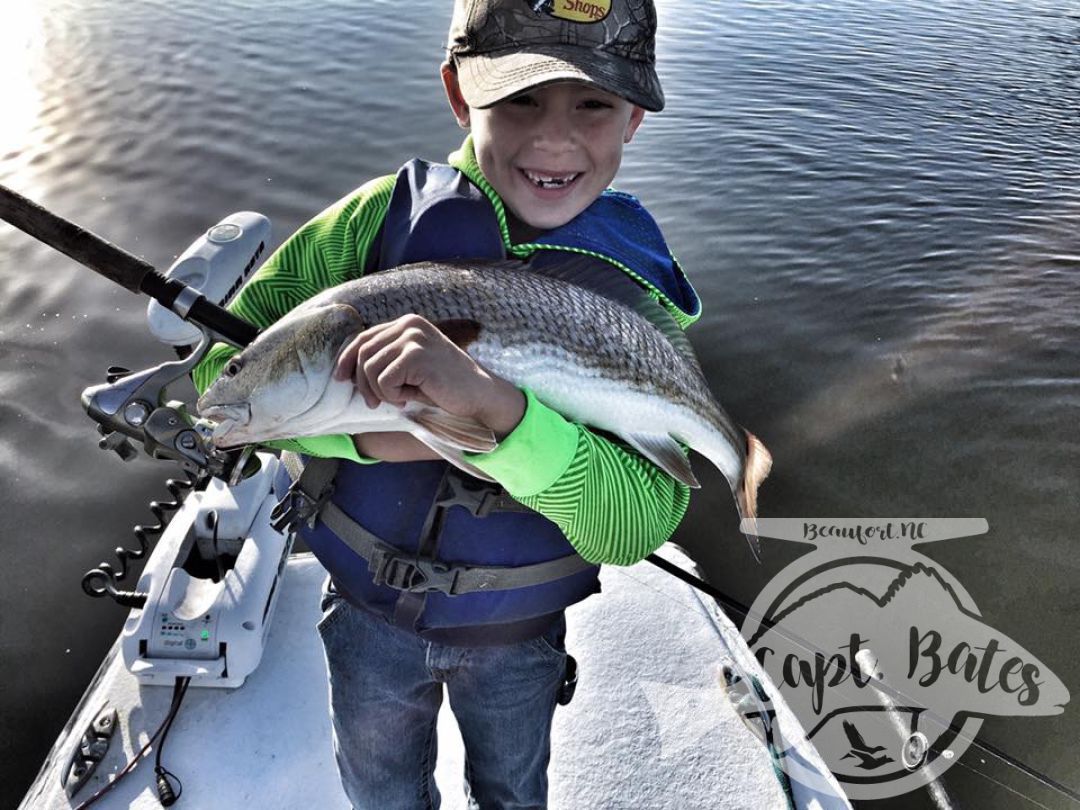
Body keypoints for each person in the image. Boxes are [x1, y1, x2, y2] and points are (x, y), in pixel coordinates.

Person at [193, 0, 702, 806]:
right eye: (519, 97)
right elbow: (229, 374)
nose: (555, 139)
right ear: (461, 94)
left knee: (512, 789)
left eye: (593, 104)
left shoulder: (636, 300)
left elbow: (636, 524)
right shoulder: (364, 227)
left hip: (518, 632)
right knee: (380, 789)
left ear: (634, 116)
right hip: (365, 612)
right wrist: (373, 441)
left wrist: (502, 419)